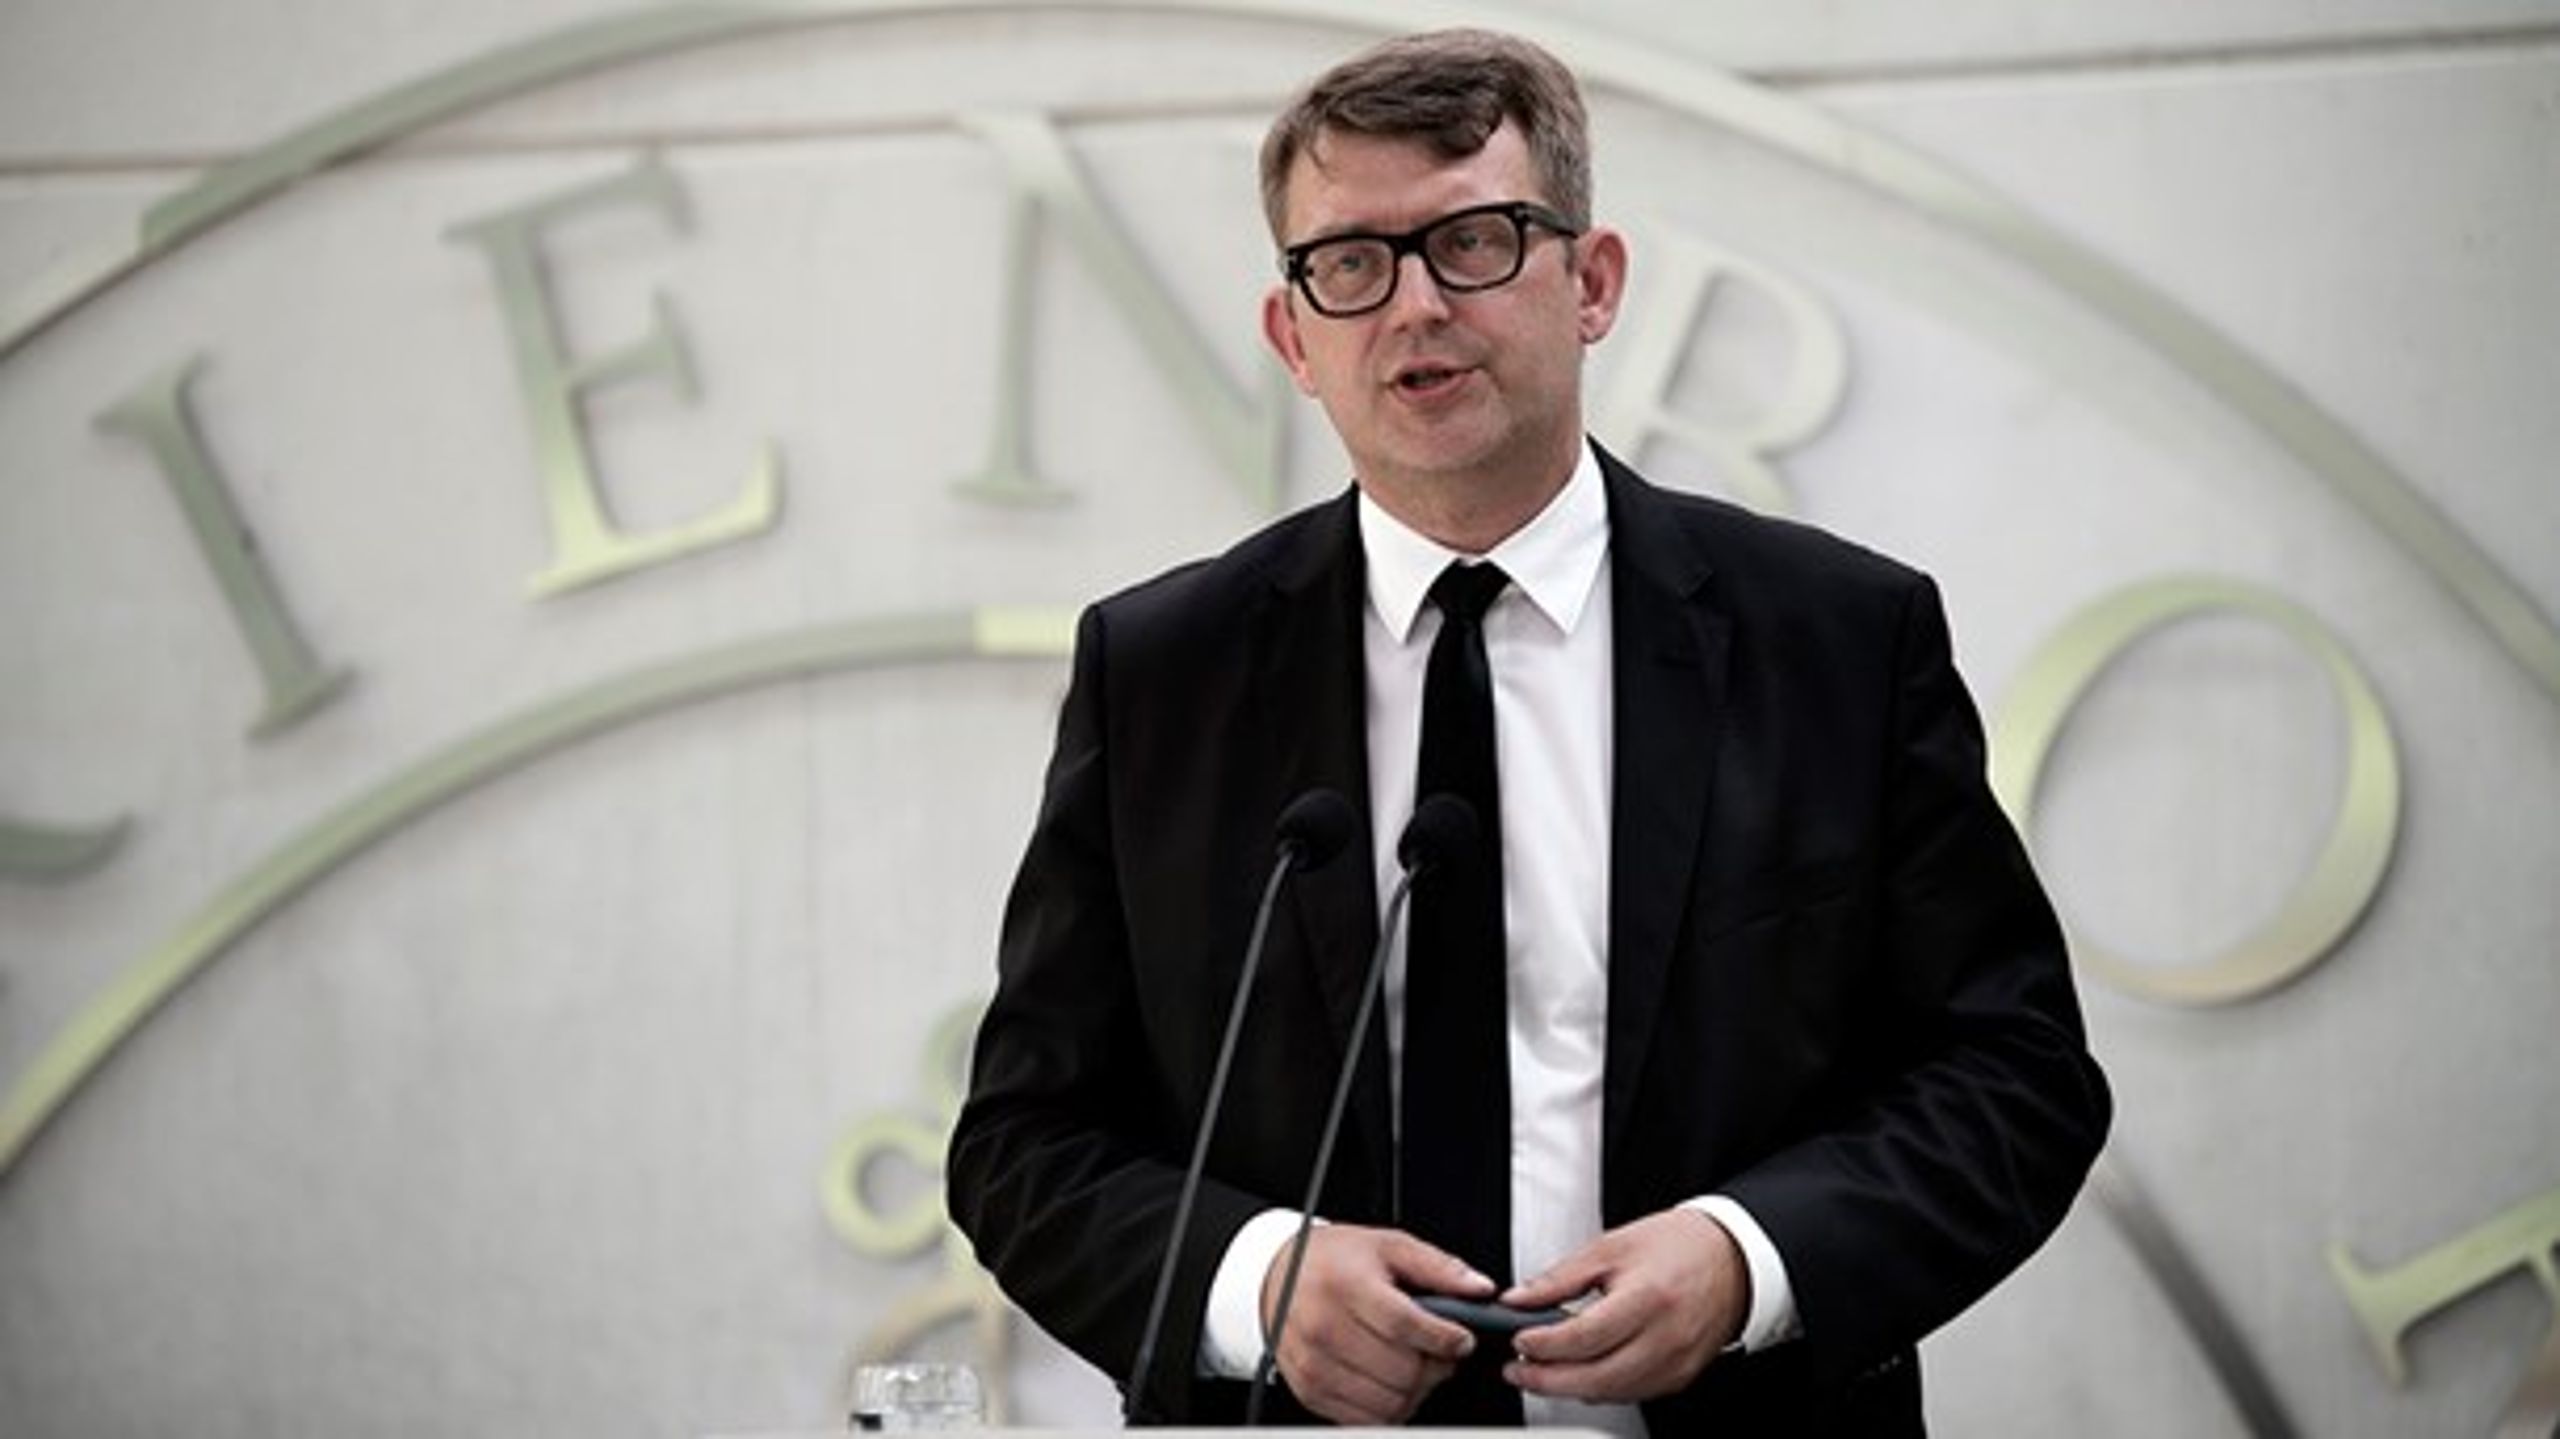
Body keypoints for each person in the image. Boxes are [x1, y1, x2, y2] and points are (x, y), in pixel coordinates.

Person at [946, 27, 2109, 1435]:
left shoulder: (1838, 641)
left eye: (1474, 243)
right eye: (1351, 264)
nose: (1416, 306)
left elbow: (2015, 1078)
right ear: (1293, 336)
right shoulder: (1162, 673)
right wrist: (1254, 1286)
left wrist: (1749, 1262)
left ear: (1593, 281)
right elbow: (1025, 1141)